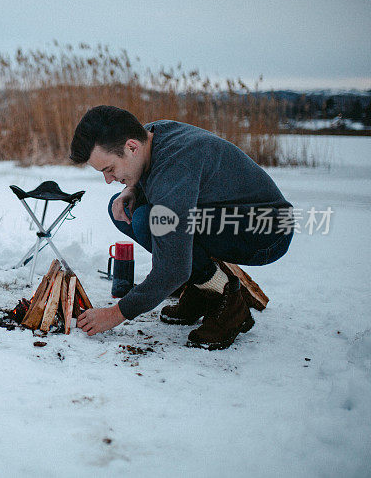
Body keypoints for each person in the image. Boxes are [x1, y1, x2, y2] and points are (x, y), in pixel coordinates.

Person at [70, 106, 293, 349]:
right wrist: (132, 189)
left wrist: (116, 314)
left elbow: (173, 268)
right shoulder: (153, 134)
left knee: (149, 220)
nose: (108, 180)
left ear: (132, 147)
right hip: (227, 214)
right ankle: (201, 288)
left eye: (110, 169)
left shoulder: (174, 170)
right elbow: (157, 177)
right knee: (127, 210)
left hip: (266, 233)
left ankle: (228, 303)